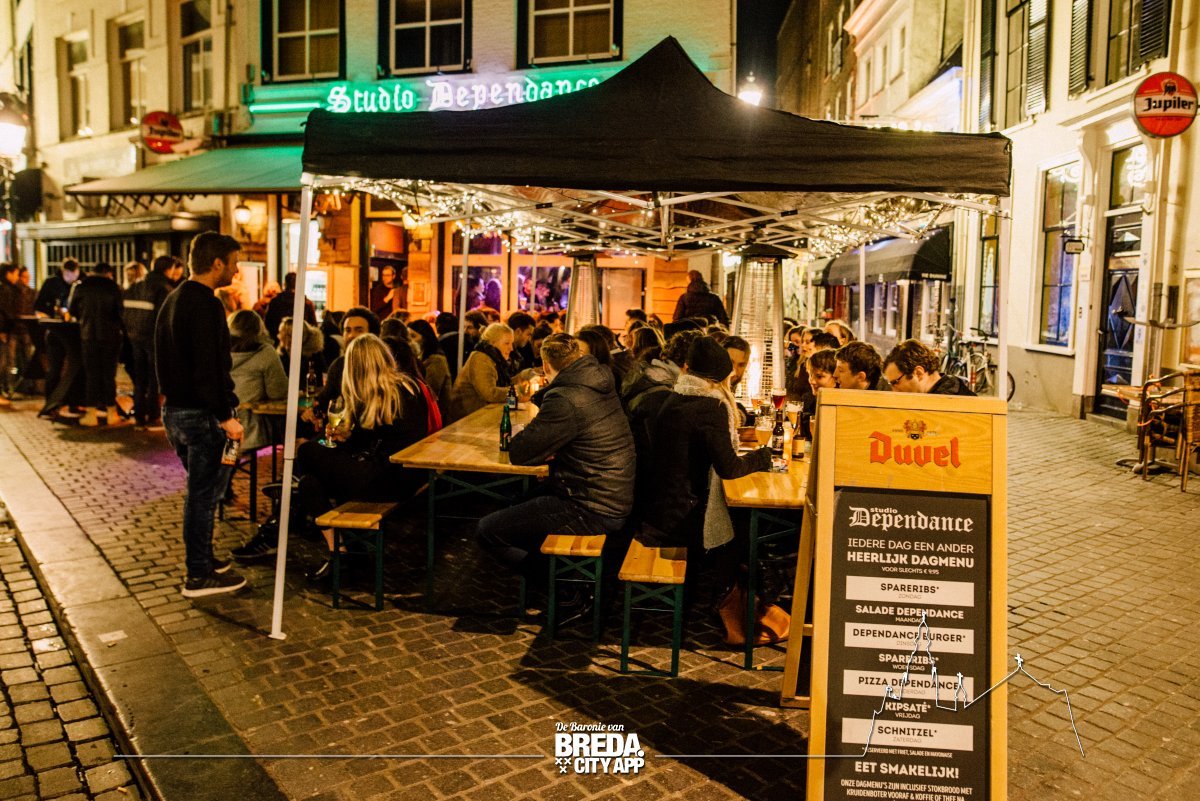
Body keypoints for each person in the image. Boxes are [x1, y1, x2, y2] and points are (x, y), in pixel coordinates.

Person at [237, 334, 430, 575]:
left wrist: (341, 440)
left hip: (389, 479)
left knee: (307, 450)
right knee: (309, 482)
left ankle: (290, 500)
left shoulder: (387, 394)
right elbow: (373, 439)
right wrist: (343, 437)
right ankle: (341, 554)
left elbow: (377, 444)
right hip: (395, 476)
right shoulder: (402, 388)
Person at [637, 337, 779, 646]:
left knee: (741, 524)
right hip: (683, 515)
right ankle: (735, 606)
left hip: (663, 506)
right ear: (721, 377)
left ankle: (740, 597)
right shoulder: (710, 406)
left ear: (688, 369)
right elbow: (730, 468)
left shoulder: (676, 397)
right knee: (743, 528)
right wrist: (766, 456)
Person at [476, 333, 635, 593]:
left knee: (487, 530)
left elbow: (520, 452)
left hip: (592, 506)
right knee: (516, 502)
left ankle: (561, 588)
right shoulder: (598, 382)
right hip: (610, 493)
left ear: (546, 365)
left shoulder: (565, 397)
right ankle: (558, 579)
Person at [155, 232, 247, 598]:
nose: (237, 271)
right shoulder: (207, 305)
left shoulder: (174, 299)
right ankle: (198, 573)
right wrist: (225, 416)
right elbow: (208, 366)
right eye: (234, 263)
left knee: (201, 492)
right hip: (202, 415)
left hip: (176, 412)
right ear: (217, 263)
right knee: (203, 495)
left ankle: (204, 559)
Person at [68, 262, 128, 428]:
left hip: (88, 336)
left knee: (91, 375)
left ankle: (91, 414)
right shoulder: (114, 287)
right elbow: (121, 313)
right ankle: (111, 413)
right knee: (109, 375)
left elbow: (72, 311)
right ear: (108, 273)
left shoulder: (80, 286)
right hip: (111, 337)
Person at [122, 255, 177, 427]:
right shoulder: (164, 289)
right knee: (154, 378)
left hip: (134, 337)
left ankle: (139, 413)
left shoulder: (136, 286)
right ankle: (153, 414)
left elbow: (125, 312)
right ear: (169, 269)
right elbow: (166, 318)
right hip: (153, 339)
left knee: (139, 377)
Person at [228, 310, 288, 455]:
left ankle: (228, 462)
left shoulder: (217, 350)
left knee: (229, 458)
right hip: (250, 430)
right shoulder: (265, 352)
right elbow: (278, 392)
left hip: (221, 425)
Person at [35, 259, 85, 418]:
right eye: (69, 275)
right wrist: (47, 319)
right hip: (56, 332)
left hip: (75, 332)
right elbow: (39, 306)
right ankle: (51, 404)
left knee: (77, 367)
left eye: (75, 275)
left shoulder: (82, 282)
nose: (72, 278)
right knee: (55, 368)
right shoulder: (51, 283)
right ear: (64, 272)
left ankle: (75, 402)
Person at [310, 306, 379, 419]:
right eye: (347, 330)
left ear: (373, 335)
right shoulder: (339, 365)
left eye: (359, 330)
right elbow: (325, 400)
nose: (351, 335)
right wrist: (313, 412)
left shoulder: (381, 364)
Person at [450, 322, 529, 420]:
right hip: (466, 419)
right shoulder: (480, 359)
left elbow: (502, 384)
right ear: (492, 343)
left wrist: (522, 377)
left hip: (480, 415)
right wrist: (517, 391)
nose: (511, 348)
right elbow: (490, 393)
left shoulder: (494, 359)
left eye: (511, 343)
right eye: (507, 343)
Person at [883, 339, 976, 396]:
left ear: (918, 373)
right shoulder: (951, 389)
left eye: (895, 383)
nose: (893, 391)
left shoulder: (943, 406)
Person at [408, 318, 451, 415]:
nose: (410, 341)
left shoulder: (436, 360)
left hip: (437, 412)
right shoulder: (421, 357)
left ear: (425, 338)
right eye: (408, 337)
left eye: (413, 336)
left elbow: (431, 389)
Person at [264, 272, 317, 342]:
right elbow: (313, 327)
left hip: (279, 341)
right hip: (300, 342)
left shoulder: (275, 302)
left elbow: (268, 324)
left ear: (285, 284)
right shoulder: (306, 303)